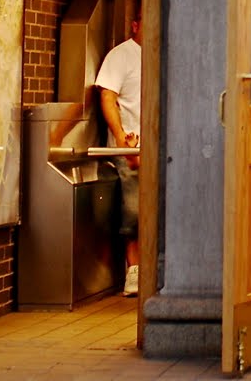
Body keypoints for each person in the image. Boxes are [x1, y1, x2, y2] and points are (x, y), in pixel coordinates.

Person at [97, 15, 142, 296]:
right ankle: (134, 271)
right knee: (135, 206)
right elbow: (107, 97)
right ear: (135, 25)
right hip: (130, 145)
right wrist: (120, 134)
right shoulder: (121, 56)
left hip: (160, 144)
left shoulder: (165, 52)